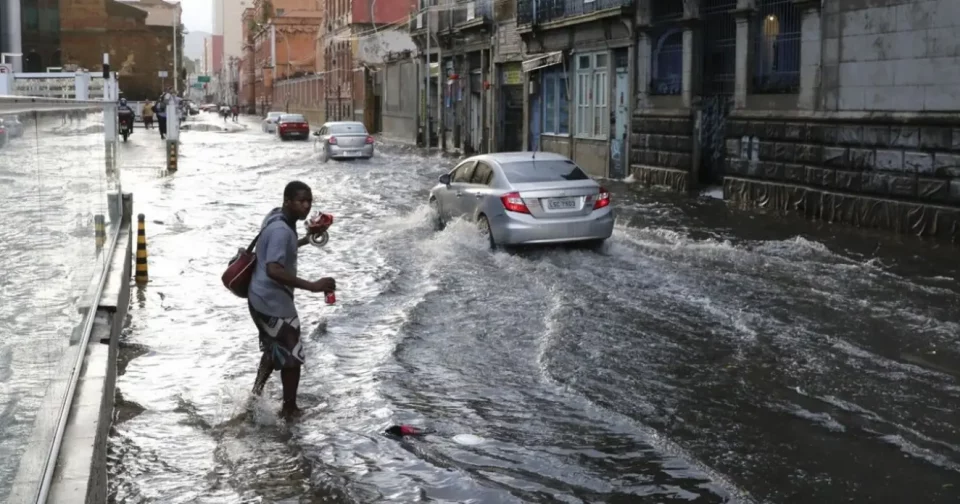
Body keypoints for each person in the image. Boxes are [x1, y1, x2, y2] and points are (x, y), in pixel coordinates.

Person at [248, 181, 336, 418]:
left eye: (309, 201)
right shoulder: (281, 230)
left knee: (273, 347)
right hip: (272, 301)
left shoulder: (276, 218)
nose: (306, 206)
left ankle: (254, 397)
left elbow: (280, 249)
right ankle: (289, 409)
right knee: (292, 352)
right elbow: (274, 269)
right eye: (300, 201)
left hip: (258, 297)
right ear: (287, 201)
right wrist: (313, 286)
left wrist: (308, 239)